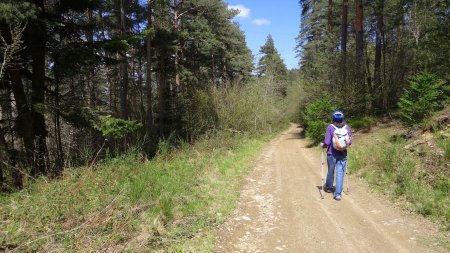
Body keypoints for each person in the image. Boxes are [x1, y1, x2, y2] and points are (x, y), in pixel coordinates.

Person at [320, 110, 352, 201]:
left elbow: (326, 142)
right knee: (340, 173)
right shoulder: (347, 128)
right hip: (343, 154)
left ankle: (329, 187)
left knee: (331, 170)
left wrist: (323, 145)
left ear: (333, 118)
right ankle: (338, 194)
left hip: (331, 153)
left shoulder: (331, 127)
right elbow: (350, 142)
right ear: (342, 118)